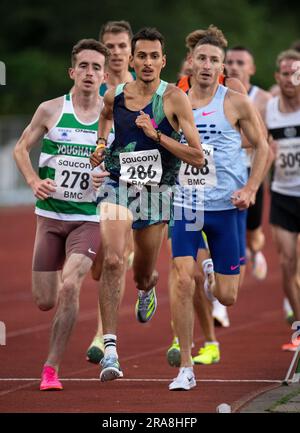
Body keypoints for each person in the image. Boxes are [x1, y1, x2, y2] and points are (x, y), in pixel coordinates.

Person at [91, 27, 204, 382]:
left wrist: (157, 137)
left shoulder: (173, 99)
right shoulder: (115, 95)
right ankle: (111, 349)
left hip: (157, 194)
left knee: (142, 273)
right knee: (111, 258)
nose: (148, 62)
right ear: (131, 59)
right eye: (142, 56)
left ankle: (147, 286)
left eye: (155, 56)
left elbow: (198, 157)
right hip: (119, 184)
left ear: (163, 61)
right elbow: (105, 119)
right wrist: (99, 144)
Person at [169, 25, 269, 391]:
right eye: (202, 59)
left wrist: (251, 187)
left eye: (215, 60)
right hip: (187, 204)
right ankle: (184, 365)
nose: (208, 66)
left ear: (222, 66)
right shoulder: (173, 99)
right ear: (191, 63)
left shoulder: (235, 101)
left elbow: (263, 147)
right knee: (182, 279)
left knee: (227, 295)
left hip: (227, 206)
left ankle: (213, 273)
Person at [13, 39, 110, 390]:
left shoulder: (110, 117)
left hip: (89, 218)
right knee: (45, 300)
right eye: (83, 66)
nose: (89, 72)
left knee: (70, 287)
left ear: (104, 75)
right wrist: (33, 179)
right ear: (72, 71)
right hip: (50, 217)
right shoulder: (51, 110)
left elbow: (121, 165)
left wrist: (106, 174)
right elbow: (21, 148)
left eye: (96, 67)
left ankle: (51, 369)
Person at [86, 20, 135, 365]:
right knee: (100, 264)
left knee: (118, 257)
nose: (116, 53)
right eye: (110, 47)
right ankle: (145, 280)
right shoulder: (89, 86)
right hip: (96, 181)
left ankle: (102, 335)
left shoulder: (143, 88)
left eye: (121, 46)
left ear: (131, 50)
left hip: (132, 184)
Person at [226, 46, 273, 281]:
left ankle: (255, 250)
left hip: (251, 171)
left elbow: (267, 143)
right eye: (230, 61)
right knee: (230, 227)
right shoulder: (220, 93)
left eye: (240, 63)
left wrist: (258, 183)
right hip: (226, 172)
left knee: (253, 232)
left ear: (251, 68)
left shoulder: (264, 99)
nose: (234, 66)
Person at [265, 49, 300, 351]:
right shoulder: (270, 110)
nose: (291, 79)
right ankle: (299, 328)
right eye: (286, 74)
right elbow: (256, 146)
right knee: (287, 264)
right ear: (278, 77)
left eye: (296, 73)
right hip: (282, 195)